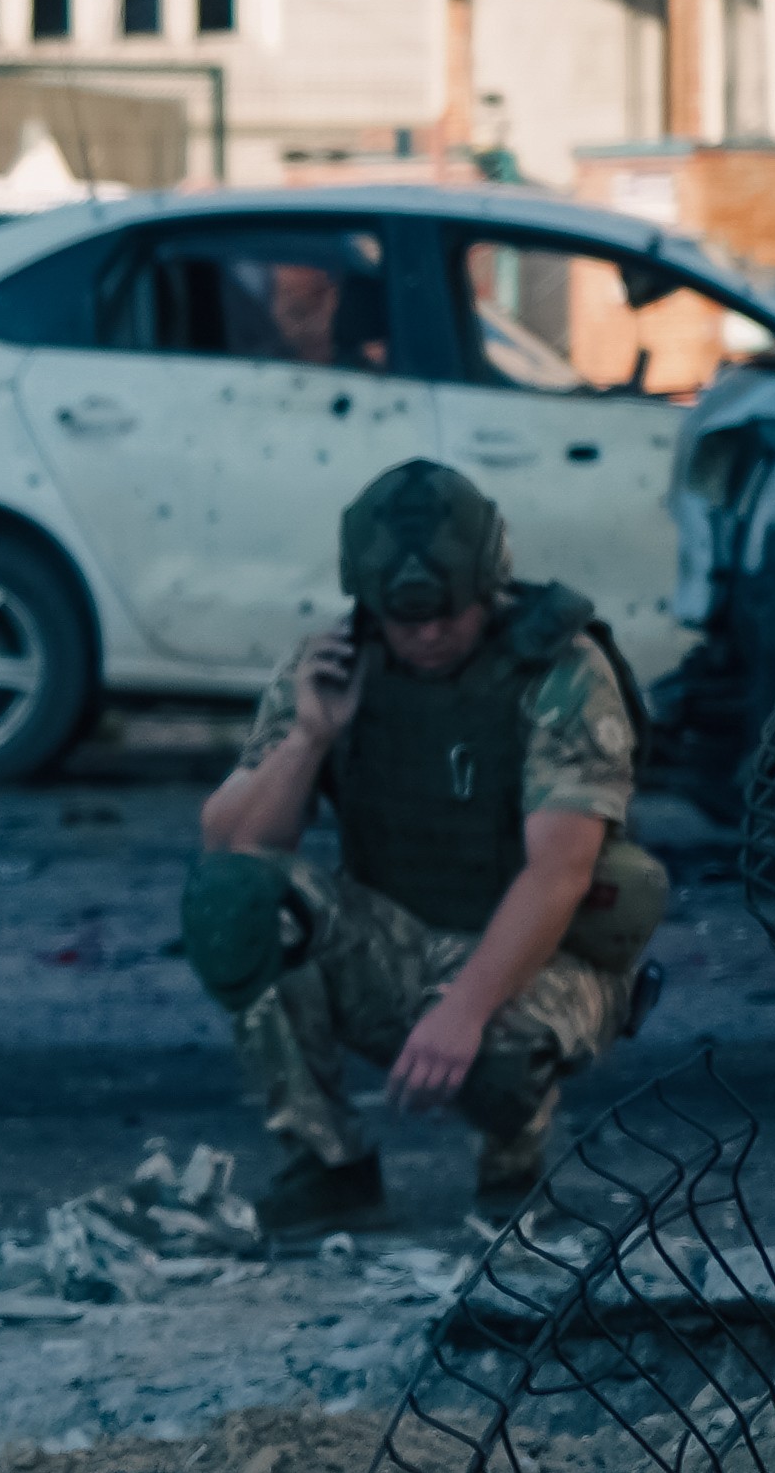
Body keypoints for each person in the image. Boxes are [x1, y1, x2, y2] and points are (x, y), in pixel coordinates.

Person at [182, 458, 672, 1229]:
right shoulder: (338, 662)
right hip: (396, 934)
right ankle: (328, 1165)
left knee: (499, 1056)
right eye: (407, 620)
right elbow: (232, 844)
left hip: (543, 954)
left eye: (450, 613)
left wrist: (463, 1011)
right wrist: (310, 736)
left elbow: (560, 871)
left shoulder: (561, 670)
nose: (430, 633)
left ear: (488, 588)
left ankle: (515, 1176)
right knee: (236, 903)